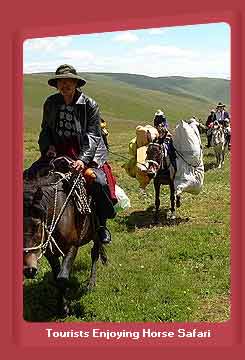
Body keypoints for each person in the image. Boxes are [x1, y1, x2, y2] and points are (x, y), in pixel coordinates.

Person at [26, 64, 116, 244]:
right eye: (61, 82)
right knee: (27, 178)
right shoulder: (51, 103)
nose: (65, 85)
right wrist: (48, 146)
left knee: (97, 181)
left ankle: (101, 225)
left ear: (76, 84)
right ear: (56, 84)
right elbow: (45, 130)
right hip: (57, 151)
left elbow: (93, 135)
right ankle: (28, 224)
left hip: (84, 151)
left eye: (69, 81)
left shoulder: (90, 105)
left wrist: (83, 160)